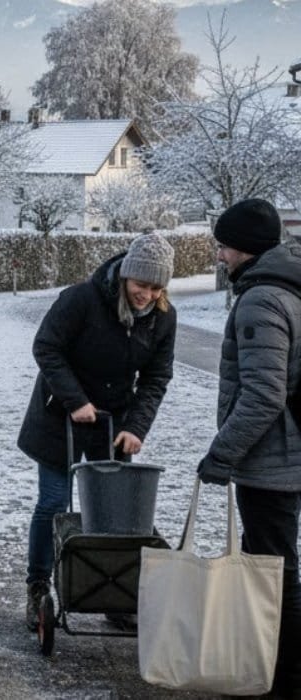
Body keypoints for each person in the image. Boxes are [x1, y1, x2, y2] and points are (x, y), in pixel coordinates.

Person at [17, 233, 177, 632]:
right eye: (142, 285)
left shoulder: (162, 316)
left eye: (157, 287)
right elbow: (46, 348)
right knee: (54, 502)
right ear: (126, 276)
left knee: (114, 515)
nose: (147, 294)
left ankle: (111, 591)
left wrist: (136, 427)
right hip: (60, 418)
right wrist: (75, 400)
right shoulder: (81, 300)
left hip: (115, 424)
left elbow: (157, 377)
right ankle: (38, 585)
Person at [198, 198, 301, 699]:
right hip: (287, 453)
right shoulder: (290, 288)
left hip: (272, 460)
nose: (219, 256)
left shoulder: (262, 299)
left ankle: (280, 680)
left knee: (273, 573)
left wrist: (222, 455)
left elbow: (263, 394)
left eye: (223, 246)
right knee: (278, 566)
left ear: (245, 249)